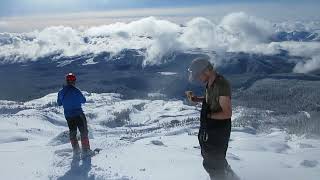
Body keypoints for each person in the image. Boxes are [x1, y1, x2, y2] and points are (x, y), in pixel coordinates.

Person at [186, 58, 238, 180]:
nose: (198, 79)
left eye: (198, 75)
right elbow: (211, 99)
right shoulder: (210, 83)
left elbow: (227, 113)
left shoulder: (221, 84)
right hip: (211, 130)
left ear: (206, 71)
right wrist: (197, 99)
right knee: (213, 162)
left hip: (218, 131)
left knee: (214, 166)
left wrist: (208, 116)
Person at [57, 73, 92, 158]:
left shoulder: (61, 92)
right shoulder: (76, 90)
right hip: (78, 114)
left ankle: (76, 151)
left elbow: (59, 103)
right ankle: (86, 151)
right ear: (74, 81)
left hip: (68, 116)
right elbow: (83, 100)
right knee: (83, 131)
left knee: (72, 132)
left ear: (66, 81)